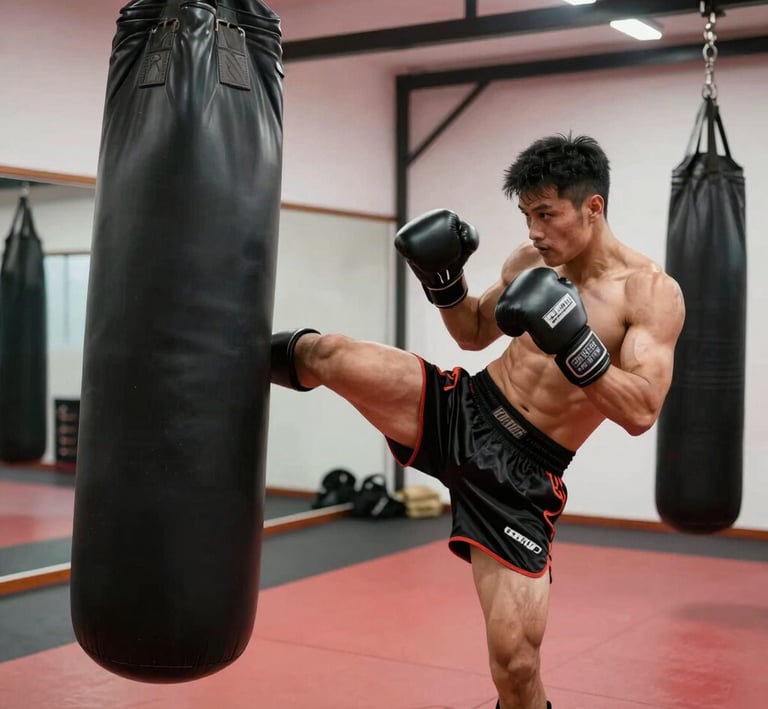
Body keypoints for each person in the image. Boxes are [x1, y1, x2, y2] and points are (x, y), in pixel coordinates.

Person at [271, 134, 685, 709]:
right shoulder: (529, 260)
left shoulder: (651, 292)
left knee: (515, 667)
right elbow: (471, 333)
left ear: (593, 207)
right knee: (327, 354)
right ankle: (209, 363)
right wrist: (445, 280)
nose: (534, 231)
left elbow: (642, 410)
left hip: (522, 478)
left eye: (546, 214)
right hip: (461, 409)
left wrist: (576, 344)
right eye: (526, 215)